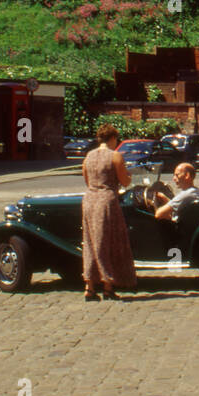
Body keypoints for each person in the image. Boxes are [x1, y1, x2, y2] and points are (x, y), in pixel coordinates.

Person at [80, 123, 137, 301]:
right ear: (112, 138)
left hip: (89, 200)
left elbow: (87, 180)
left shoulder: (88, 156)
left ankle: (89, 286)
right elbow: (125, 181)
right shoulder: (115, 156)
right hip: (106, 201)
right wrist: (129, 176)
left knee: (89, 242)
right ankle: (107, 285)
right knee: (107, 242)